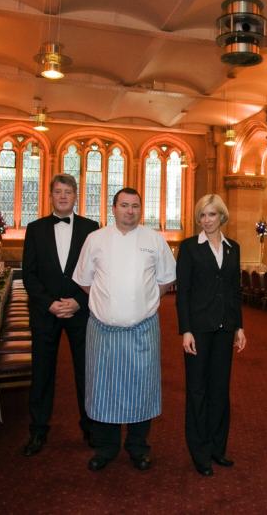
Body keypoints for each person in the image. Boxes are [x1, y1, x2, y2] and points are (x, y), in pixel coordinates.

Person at [73, 187, 176, 472]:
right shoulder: (95, 239)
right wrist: (107, 303)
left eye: (135, 206)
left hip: (142, 330)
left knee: (141, 390)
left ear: (140, 210)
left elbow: (166, 280)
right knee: (102, 389)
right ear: (113, 208)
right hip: (103, 331)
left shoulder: (154, 240)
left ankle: (138, 447)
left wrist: (142, 302)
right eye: (124, 205)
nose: (130, 211)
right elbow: (84, 280)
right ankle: (105, 447)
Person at [22, 173, 100, 457]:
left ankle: (90, 427)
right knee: (42, 373)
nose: (63, 196)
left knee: (85, 371)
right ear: (51, 196)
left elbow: (97, 272)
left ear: (76, 195)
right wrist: (49, 304)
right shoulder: (35, 228)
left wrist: (79, 301)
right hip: (46, 313)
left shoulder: (92, 229)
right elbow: (29, 275)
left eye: (68, 191)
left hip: (81, 312)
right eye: (58, 191)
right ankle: (38, 430)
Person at [175, 194, 246, 476]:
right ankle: (200, 451)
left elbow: (235, 291)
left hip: (225, 329)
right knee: (197, 390)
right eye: (202, 215)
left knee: (220, 390)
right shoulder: (190, 248)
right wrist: (186, 330)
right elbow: (184, 293)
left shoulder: (233, 248)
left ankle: (218, 447)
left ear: (222, 217)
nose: (206, 220)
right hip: (198, 330)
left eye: (212, 215)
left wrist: (239, 327)